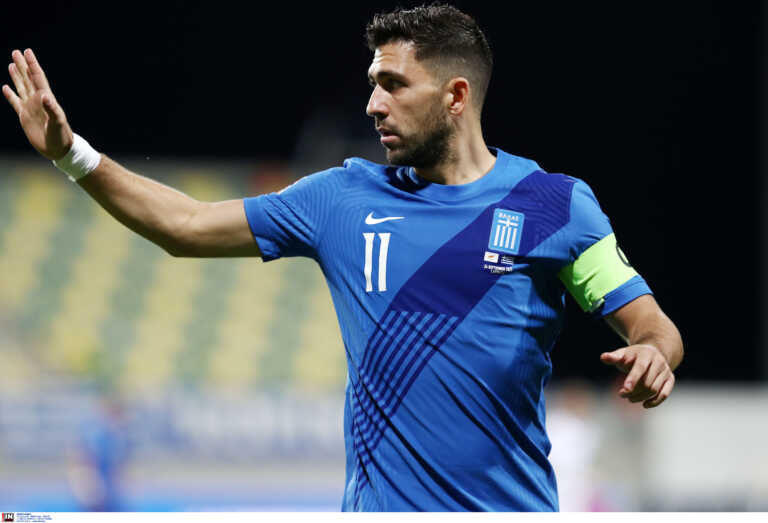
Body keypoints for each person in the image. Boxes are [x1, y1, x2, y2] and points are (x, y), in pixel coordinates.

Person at [3, 4, 683, 512]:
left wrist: (654, 353)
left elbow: (653, 326)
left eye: (394, 84)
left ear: (455, 96)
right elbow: (183, 224)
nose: (373, 104)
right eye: (372, 82)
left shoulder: (555, 206)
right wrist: (72, 154)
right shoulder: (340, 198)